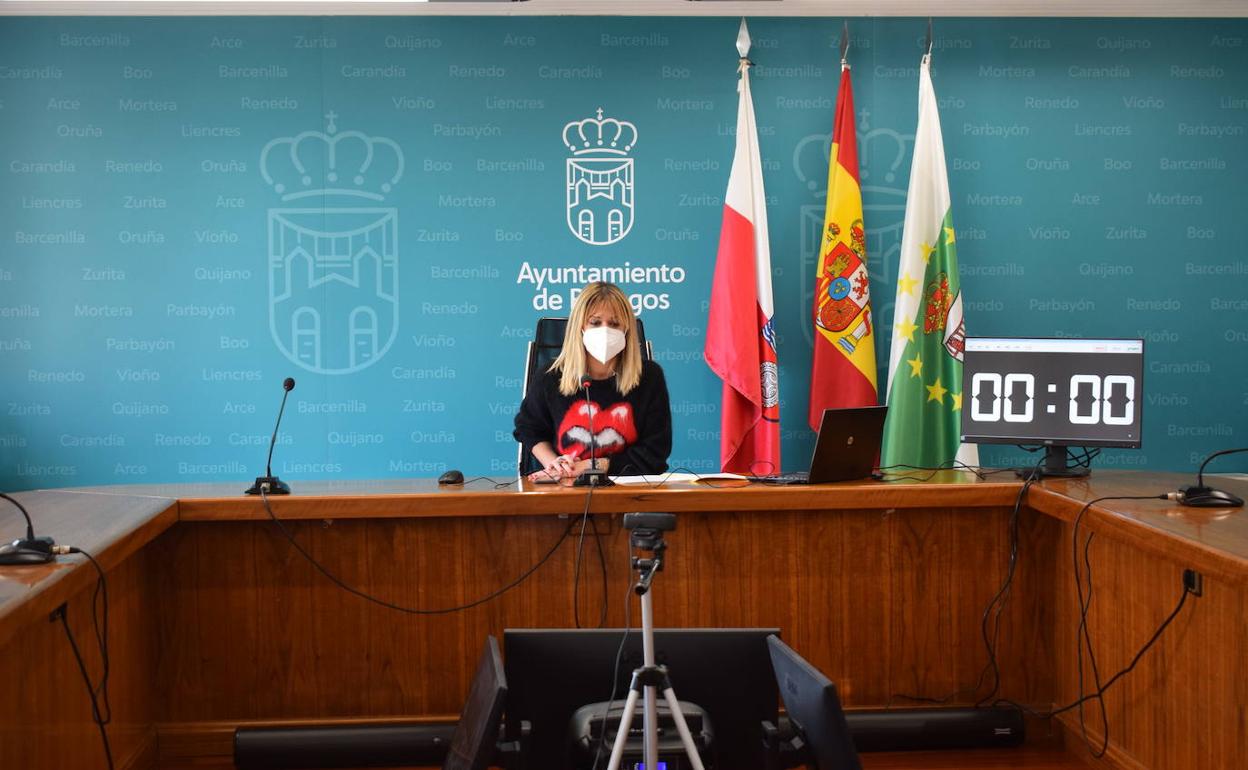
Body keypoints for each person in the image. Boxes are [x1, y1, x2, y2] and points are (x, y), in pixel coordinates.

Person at [513, 282, 672, 481]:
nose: (605, 331)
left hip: (629, 490)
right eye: (595, 323)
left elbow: (655, 453)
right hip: (564, 488)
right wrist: (556, 465)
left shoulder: (649, 377)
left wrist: (590, 466)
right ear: (580, 327)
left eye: (614, 324)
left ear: (626, 329)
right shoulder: (550, 376)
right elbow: (529, 429)